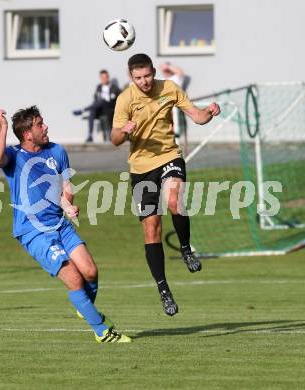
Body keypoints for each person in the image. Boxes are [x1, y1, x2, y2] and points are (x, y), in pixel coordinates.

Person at [0, 106, 131, 343]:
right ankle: (102, 331)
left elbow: (65, 188)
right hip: (33, 232)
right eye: (39, 124)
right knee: (74, 279)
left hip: (60, 225)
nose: (45, 127)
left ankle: (84, 307)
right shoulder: (13, 156)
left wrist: (68, 206)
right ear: (27, 134)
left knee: (90, 272)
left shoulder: (57, 151)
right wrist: (3, 127)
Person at [111, 54, 220, 316]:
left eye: (147, 75)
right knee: (152, 230)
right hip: (140, 168)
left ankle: (185, 248)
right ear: (131, 77)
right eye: (138, 78)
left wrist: (210, 113)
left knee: (174, 200)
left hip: (169, 156)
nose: (144, 81)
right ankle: (163, 289)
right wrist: (124, 130)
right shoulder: (125, 99)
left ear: (153, 71)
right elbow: (114, 138)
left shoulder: (169, 88)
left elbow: (197, 116)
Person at [73, 70, 121, 142]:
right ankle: (90, 135)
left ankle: (83, 110)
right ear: (100, 78)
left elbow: (118, 100)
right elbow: (95, 98)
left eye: (105, 77)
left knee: (102, 101)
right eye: (102, 77)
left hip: (109, 108)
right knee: (92, 111)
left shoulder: (114, 87)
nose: (104, 79)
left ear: (108, 77)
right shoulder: (99, 87)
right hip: (99, 109)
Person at [159, 62, 191, 155]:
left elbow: (180, 72)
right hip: (165, 107)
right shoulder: (160, 80)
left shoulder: (175, 78)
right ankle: (168, 148)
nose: (165, 71)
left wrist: (168, 66)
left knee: (182, 127)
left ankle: (185, 148)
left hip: (176, 107)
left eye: (167, 69)